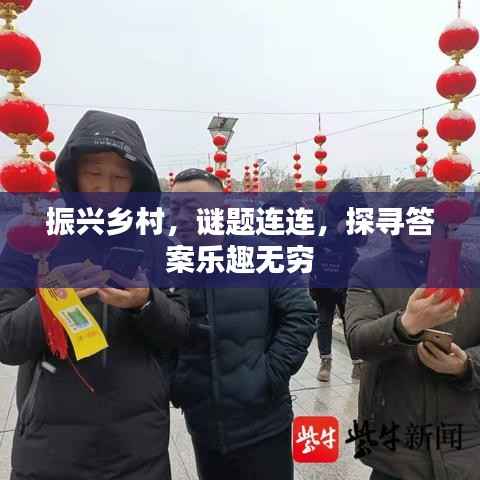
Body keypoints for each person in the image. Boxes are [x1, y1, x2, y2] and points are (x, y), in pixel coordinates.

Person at [0, 110, 191, 480]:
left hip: (139, 444)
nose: (107, 187)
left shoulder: (155, 241)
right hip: (50, 447)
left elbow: (179, 330)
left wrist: (146, 303)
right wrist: (49, 301)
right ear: (73, 174)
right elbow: (6, 343)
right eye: (94, 173)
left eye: (120, 177)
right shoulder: (33, 236)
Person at [169, 168, 317, 480]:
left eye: (192, 208)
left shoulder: (265, 254)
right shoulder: (169, 265)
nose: (181, 217)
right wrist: (179, 382)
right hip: (204, 427)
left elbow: (302, 314)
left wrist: (269, 375)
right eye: (175, 208)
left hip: (263, 425)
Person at [345, 178, 480, 480]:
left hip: (466, 446)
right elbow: (358, 340)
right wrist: (406, 325)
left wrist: (466, 365)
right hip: (395, 451)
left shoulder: (473, 271)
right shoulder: (369, 272)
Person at [310, 179, 367, 382]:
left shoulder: (356, 213)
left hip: (347, 272)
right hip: (323, 272)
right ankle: (325, 361)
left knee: (350, 319)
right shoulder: (319, 212)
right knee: (324, 319)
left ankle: (358, 363)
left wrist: (358, 229)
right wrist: (337, 231)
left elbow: (362, 242)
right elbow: (310, 239)